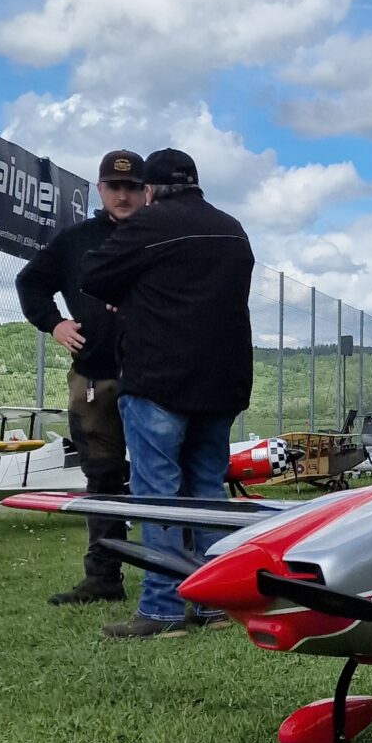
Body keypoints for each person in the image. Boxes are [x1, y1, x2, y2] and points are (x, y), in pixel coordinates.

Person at [82, 148, 255, 641]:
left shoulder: (149, 223)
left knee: (157, 494)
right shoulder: (233, 229)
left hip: (159, 377)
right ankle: (214, 603)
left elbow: (93, 274)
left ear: (150, 189)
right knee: (207, 492)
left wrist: (131, 291)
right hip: (221, 381)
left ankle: (161, 609)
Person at [15, 148, 147, 605]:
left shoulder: (161, 235)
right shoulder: (75, 240)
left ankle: (177, 580)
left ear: (146, 190)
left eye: (132, 187)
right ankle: (103, 577)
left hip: (156, 379)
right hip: (94, 378)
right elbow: (30, 282)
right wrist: (54, 323)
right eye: (115, 186)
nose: (123, 195)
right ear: (100, 189)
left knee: (164, 480)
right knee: (103, 477)